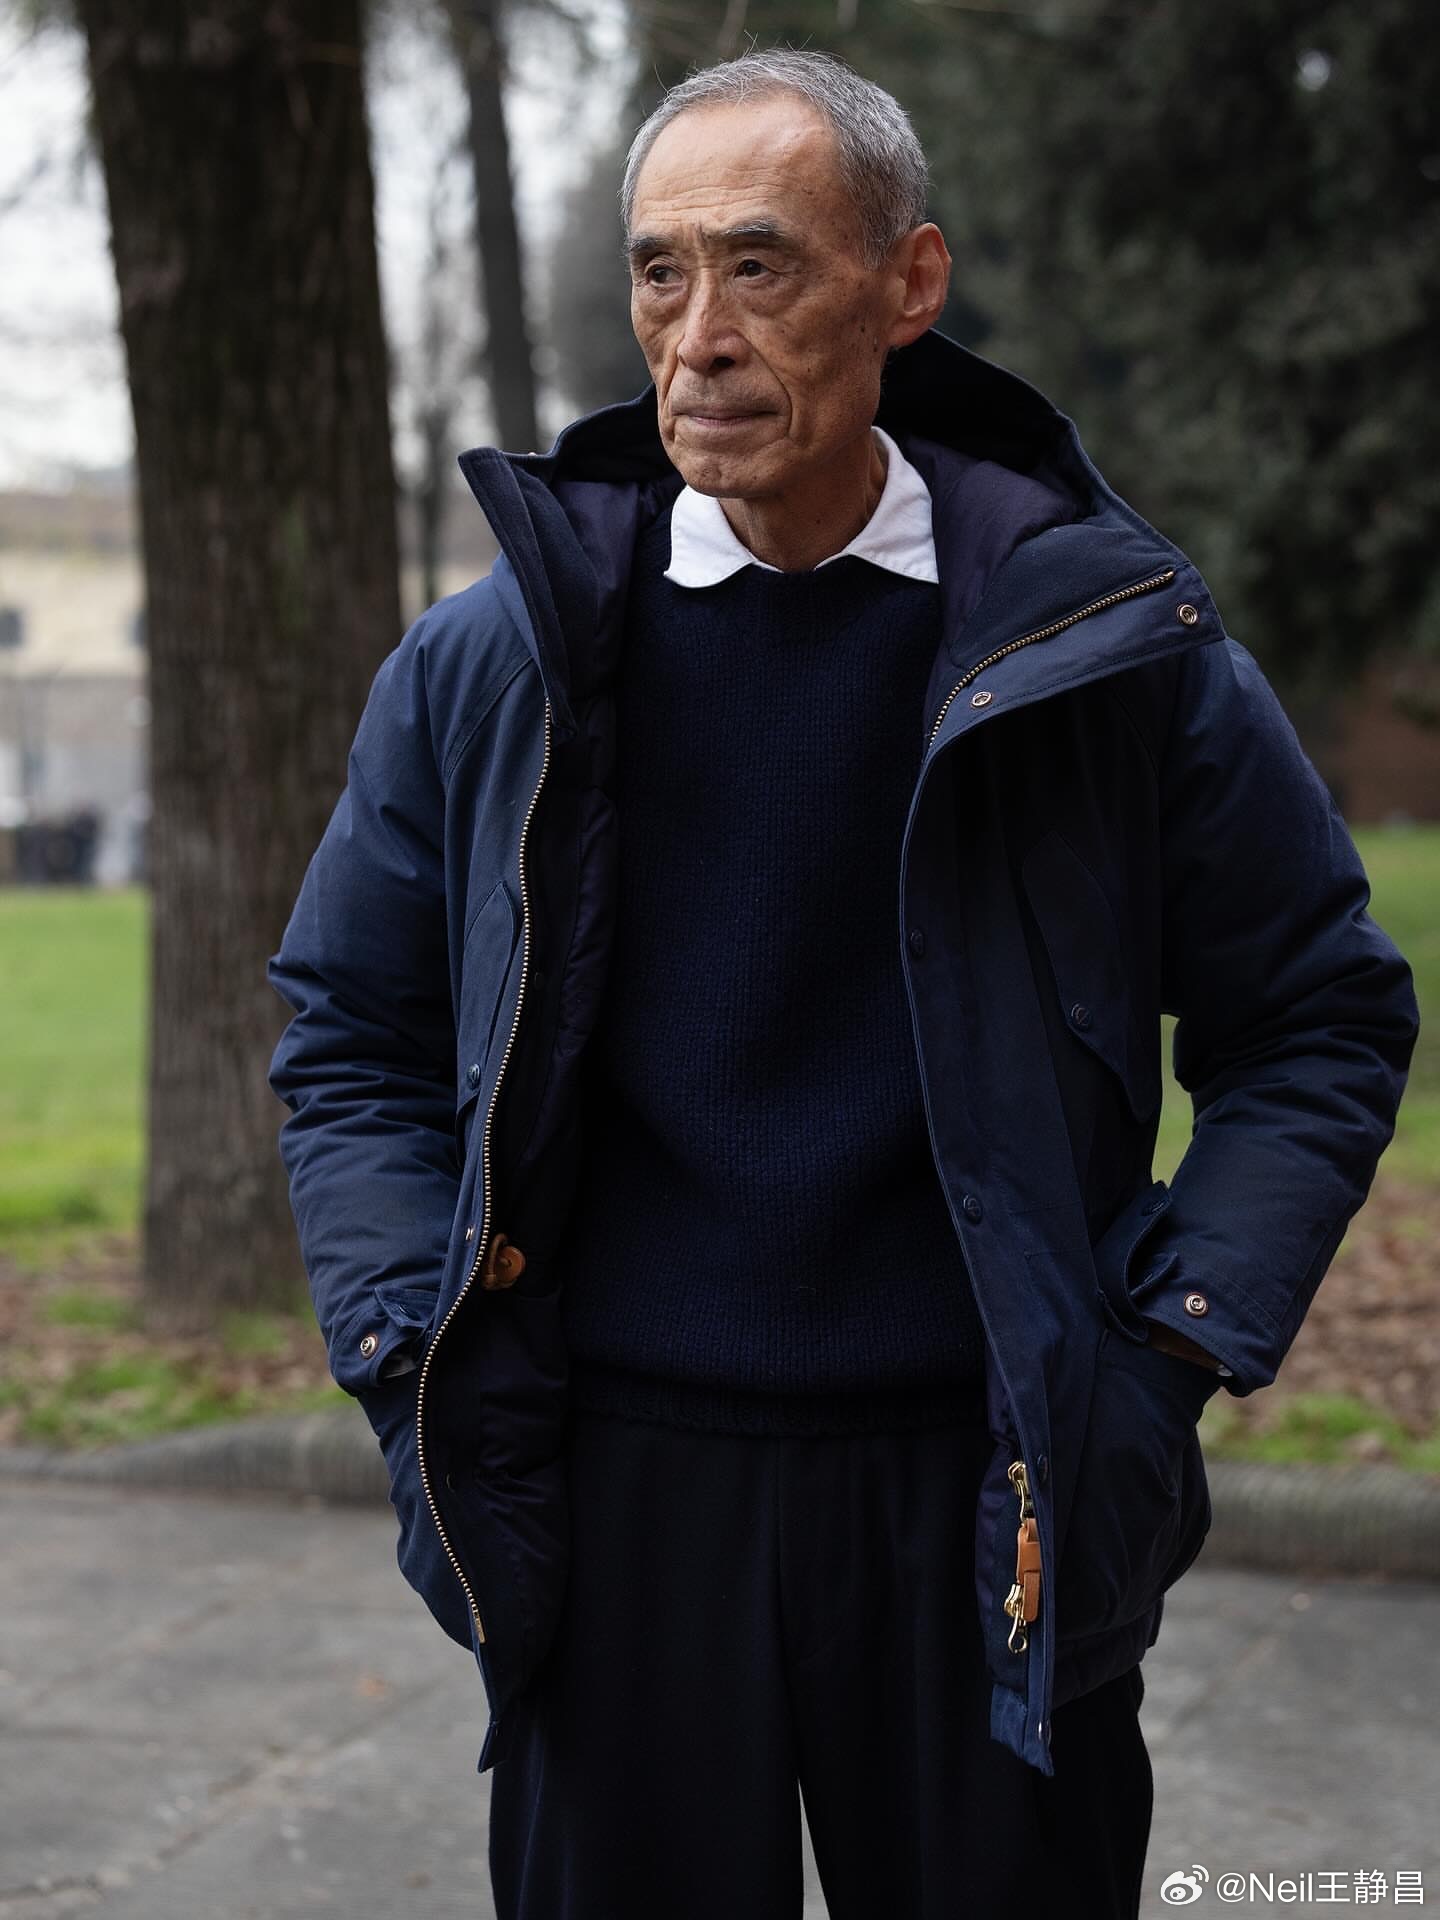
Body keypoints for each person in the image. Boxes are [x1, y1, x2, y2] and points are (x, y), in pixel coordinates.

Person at [266, 48, 1418, 1920]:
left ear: (909, 282)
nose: (699, 336)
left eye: (760, 265)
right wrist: (410, 1368)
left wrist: (1159, 1359)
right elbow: (349, 1039)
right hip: (614, 1498)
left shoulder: (1104, 645)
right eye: (660, 274)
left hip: (991, 1478)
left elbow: (1317, 1016)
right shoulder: (495, 665)